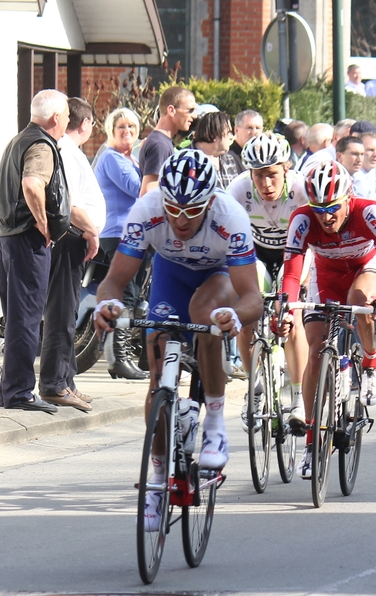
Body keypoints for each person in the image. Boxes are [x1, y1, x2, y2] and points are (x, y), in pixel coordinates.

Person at [94, 150, 262, 528]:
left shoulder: (231, 217)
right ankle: (157, 479)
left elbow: (252, 296)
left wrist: (235, 315)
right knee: (157, 372)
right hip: (171, 274)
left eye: (193, 210)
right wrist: (106, 304)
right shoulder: (146, 209)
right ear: (162, 199)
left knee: (205, 315)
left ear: (211, 202)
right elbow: (115, 280)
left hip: (219, 275)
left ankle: (214, 424)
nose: (181, 220)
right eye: (173, 208)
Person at [280, 161, 376, 478]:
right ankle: (311, 443)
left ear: (348, 198)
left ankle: (371, 363)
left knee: (361, 302)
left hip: (366, 269)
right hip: (326, 277)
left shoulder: (369, 212)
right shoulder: (302, 219)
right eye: (319, 209)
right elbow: (292, 274)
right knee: (315, 349)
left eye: (333, 207)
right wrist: (286, 310)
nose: (326, 216)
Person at [0, 89, 71, 413]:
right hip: (25, 238)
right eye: (66, 116)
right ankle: (20, 392)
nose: (67, 122)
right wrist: (43, 222)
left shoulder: (18, 139)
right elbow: (32, 183)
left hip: (7, 236)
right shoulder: (41, 144)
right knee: (26, 317)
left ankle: (12, 390)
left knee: (17, 317)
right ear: (55, 117)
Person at [227, 132, 308, 434]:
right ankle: (254, 386)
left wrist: (298, 283)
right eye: (258, 176)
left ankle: (298, 398)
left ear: (286, 168)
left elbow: (313, 242)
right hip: (256, 254)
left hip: (295, 254)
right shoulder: (238, 189)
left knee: (291, 316)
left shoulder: (301, 190)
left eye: (272, 174)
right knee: (247, 316)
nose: (266, 184)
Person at [37, 97, 107, 412]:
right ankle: (54, 383)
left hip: (75, 237)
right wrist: (92, 231)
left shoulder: (70, 150)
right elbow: (70, 204)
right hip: (70, 237)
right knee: (62, 312)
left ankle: (66, 380)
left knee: (68, 311)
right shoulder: (65, 150)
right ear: (86, 123)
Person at [95, 107, 149, 380]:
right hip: (118, 232)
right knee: (125, 293)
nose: (127, 131)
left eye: (131, 127)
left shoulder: (129, 158)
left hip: (133, 232)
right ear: (111, 131)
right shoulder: (112, 158)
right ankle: (119, 357)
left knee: (133, 293)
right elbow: (137, 188)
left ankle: (126, 354)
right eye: (121, 127)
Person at [139, 86, 196, 196]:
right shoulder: (160, 145)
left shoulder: (161, 141)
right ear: (171, 110)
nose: (194, 116)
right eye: (190, 110)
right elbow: (147, 191)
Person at [192, 111, 240, 188]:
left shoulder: (228, 158)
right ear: (214, 135)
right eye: (228, 132)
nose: (231, 137)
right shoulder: (187, 161)